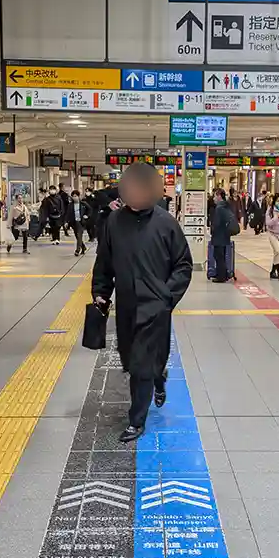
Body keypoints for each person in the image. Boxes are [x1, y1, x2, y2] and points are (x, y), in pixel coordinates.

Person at [92, 163, 192, 442]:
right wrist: (100, 292)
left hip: (155, 308)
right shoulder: (114, 222)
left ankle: (137, 420)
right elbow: (104, 262)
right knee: (130, 359)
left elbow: (183, 265)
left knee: (140, 365)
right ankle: (158, 377)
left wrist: (167, 297)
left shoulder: (166, 223)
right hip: (126, 305)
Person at [209, 190, 239, 282]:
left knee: (218, 256)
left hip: (219, 236)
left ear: (219, 196)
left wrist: (212, 230)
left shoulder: (219, 208)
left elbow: (216, 223)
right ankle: (224, 274)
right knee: (222, 256)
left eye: (214, 196)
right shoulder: (226, 206)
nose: (213, 199)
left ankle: (221, 277)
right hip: (225, 236)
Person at [69, 190, 89, 257]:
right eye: (73, 196)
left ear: (78, 196)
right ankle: (83, 247)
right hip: (74, 223)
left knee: (79, 235)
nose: (74, 197)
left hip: (81, 222)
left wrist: (87, 215)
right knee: (78, 237)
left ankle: (77, 250)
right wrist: (66, 222)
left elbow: (90, 209)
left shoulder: (83, 204)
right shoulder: (70, 205)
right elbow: (67, 214)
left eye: (76, 196)